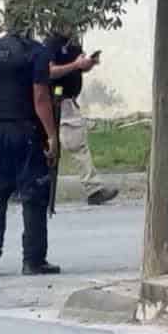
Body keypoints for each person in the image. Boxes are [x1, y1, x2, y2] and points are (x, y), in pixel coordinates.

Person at [0, 0, 61, 277]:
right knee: (33, 192)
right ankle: (33, 259)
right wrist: (52, 136)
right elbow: (40, 98)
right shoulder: (35, 53)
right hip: (26, 129)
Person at [45, 30, 120, 206]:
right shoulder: (52, 42)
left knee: (72, 145)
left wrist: (88, 64)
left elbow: (76, 68)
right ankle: (93, 189)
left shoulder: (73, 43)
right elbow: (49, 71)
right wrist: (76, 65)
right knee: (74, 145)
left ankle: (92, 189)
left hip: (69, 101)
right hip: (57, 101)